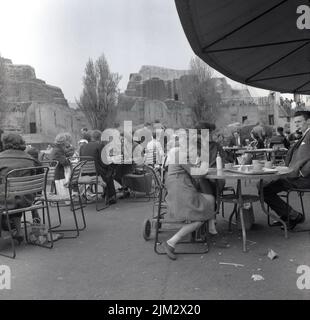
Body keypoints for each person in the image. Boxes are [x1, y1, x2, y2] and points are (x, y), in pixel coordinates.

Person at [163, 134, 217, 260]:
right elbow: (196, 175)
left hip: (179, 189)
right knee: (200, 218)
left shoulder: (177, 155)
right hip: (181, 192)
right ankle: (171, 242)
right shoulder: (179, 155)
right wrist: (204, 167)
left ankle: (211, 228)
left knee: (210, 198)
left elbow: (192, 171)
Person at [262, 111, 310, 230]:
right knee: (263, 185)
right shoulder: (305, 134)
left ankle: (292, 216)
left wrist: (302, 172)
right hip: (296, 176)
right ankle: (287, 216)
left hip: (303, 179)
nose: (297, 125)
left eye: (299, 122)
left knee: (265, 190)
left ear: (308, 121)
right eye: (295, 122)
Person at [0, 133, 41, 243]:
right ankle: (18, 231)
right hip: (27, 200)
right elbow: (40, 175)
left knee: (9, 195)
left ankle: (8, 230)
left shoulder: (1, 158)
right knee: (17, 195)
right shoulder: (31, 159)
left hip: (6, 201)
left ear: (4, 143)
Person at [80, 129, 116, 205]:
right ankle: (110, 196)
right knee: (110, 170)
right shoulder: (100, 145)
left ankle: (105, 193)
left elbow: (81, 160)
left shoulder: (82, 147)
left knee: (107, 169)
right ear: (100, 138)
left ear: (91, 137)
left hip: (84, 173)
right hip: (97, 172)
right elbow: (104, 161)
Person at [49, 133, 73, 197]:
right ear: (63, 143)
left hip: (58, 174)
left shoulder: (57, 149)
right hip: (59, 176)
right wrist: (68, 160)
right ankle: (73, 191)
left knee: (70, 168)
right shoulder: (58, 151)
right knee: (70, 168)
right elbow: (65, 163)